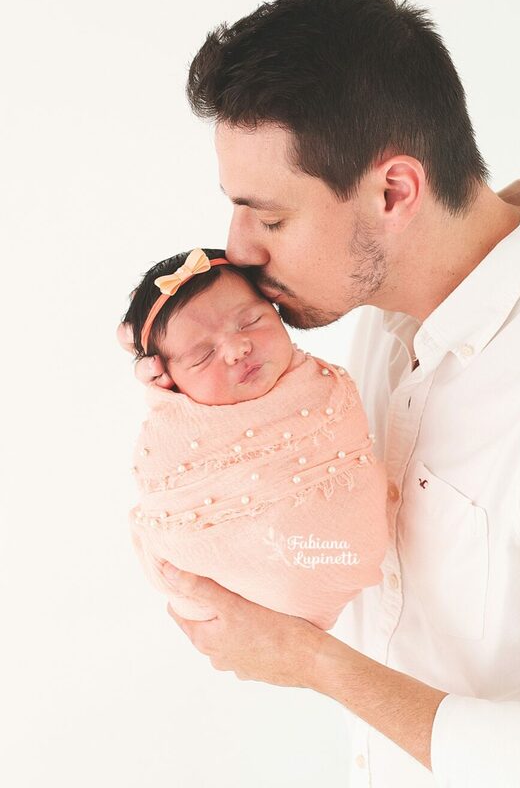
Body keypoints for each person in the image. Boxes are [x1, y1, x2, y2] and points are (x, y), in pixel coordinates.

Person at [118, 0, 520, 788]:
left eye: (271, 218)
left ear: (393, 192)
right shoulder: (385, 317)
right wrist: (189, 397)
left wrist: (313, 662)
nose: (238, 250)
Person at [123, 246, 389, 628]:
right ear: (166, 379)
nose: (236, 349)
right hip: (231, 603)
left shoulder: (319, 384)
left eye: (250, 321)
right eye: (202, 356)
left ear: (276, 309)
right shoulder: (177, 431)